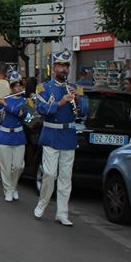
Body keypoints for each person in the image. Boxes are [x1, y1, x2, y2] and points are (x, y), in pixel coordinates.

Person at [33, 50, 89, 227]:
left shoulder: (76, 87)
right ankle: (42, 203)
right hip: (51, 134)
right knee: (50, 174)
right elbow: (41, 109)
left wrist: (79, 100)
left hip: (68, 135)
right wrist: (61, 102)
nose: (64, 69)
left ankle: (62, 213)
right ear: (54, 67)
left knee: (66, 177)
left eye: (66, 66)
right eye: (60, 66)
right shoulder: (44, 87)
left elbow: (85, 113)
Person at [0, 71, 29, 203]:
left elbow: (22, 115)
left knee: (18, 166)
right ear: (11, 88)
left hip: (18, 135)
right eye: (14, 86)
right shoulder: (5, 99)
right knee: (6, 166)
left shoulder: (25, 101)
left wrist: (6, 105)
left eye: (19, 85)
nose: (17, 88)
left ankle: (13, 187)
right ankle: (8, 190)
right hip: (4, 136)